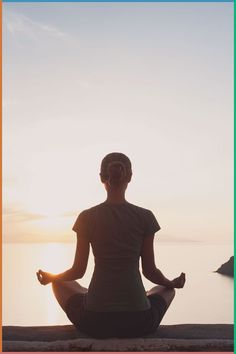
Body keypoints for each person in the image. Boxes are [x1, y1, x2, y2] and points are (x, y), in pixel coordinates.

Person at [37, 152, 185, 338]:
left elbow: (78, 271)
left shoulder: (87, 217)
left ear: (101, 178)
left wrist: (52, 277)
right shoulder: (145, 217)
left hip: (94, 321)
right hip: (139, 322)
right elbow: (150, 271)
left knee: (58, 284)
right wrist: (171, 283)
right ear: (129, 177)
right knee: (165, 290)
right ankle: (139, 296)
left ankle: (90, 294)